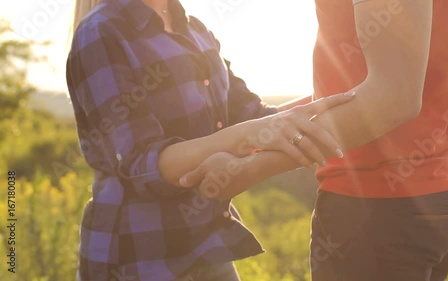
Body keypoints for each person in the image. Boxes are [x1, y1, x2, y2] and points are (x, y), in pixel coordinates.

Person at [182, 0, 448, 280]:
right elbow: (358, 91)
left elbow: (395, 99)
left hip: (377, 210)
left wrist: (251, 170)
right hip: (430, 197)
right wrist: (255, 133)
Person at [67, 0, 353, 280]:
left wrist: (348, 99)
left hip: (205, 246)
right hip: (138, 257)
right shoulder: (101, 32)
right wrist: (245, 134)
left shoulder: (196, 31)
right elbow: (141, 163)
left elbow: (255, 117)